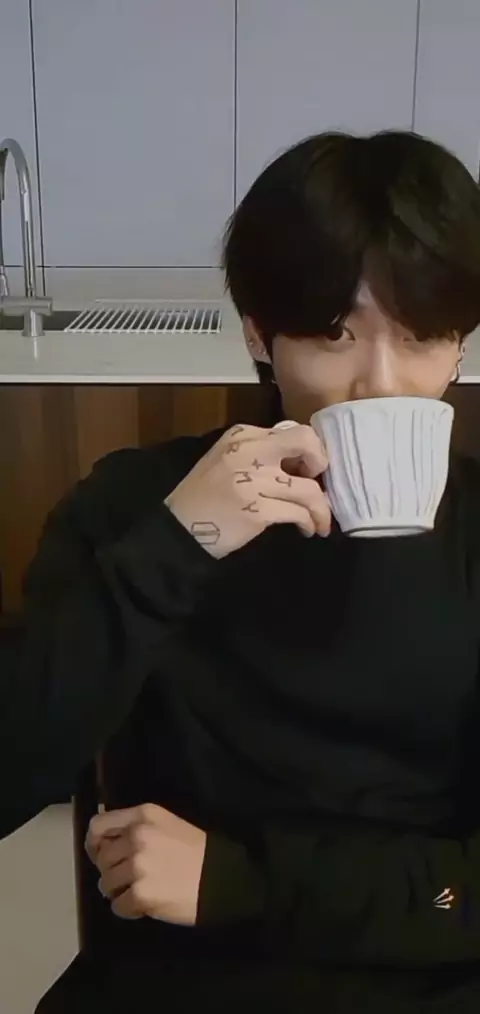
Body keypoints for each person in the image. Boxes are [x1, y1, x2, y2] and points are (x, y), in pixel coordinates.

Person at [3, 129, 480, 1013]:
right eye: (334, 333)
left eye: (422, 336)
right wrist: (174, 546)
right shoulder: (133, 507)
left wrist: (239, 880)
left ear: (459, 349)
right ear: (260, 338)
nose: (381, 384)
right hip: (175, 980)